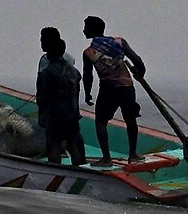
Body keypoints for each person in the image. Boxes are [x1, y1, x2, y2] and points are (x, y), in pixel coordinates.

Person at [82, 16, 147, 165]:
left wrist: (87, 93)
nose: (84, 30)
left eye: (86, 27)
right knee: (130, 120)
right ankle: (133, 155)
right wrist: (140, 74)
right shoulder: (119, 42)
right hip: (127, 88)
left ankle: (106, 158)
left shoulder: (89, 52)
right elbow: (137, 60)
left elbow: (88, 77)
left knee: (101, 122)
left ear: (93, 29)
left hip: (108, 89)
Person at [37, 38, 87, 166]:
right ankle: (80, 170)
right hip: (72, 115)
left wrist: (42, 115)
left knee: (53, 145)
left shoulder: (47, 72)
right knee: (74, 144)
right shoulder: (75, 72)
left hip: (55, 117)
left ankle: (55, 171)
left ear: (50, 51)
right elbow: (76, 94)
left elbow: (44, 97)